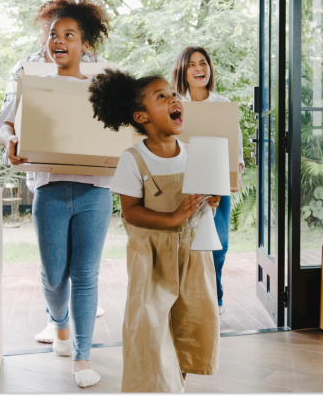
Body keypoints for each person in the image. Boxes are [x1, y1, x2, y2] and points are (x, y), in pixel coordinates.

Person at [0, 0, 112, 388]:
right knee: (53, 275)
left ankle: (82, 357)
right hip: (48, 186)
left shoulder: (103, 84)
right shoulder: (33, 79)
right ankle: (59, 324)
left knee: (86, 275)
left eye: (69, 34)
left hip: (95, 189)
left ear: (85, 43)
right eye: (53, 34)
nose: (58, 40)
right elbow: (6, 122)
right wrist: (11, 140)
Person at [89, 69, 221, 392]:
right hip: (151, 260)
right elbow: (132, 213)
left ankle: (178, 386)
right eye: (161, 96)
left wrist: (210, 202)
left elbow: (201, 211)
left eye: (174, 94)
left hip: (191, 256)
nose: (174, 99)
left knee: (188, 327)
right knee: (152, 331)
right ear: (141, 116)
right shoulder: (133, 160)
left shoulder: (193, 154)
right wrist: (173, 217)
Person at [171, 46, 244, 316]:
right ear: (182, 70)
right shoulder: (174, 103)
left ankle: (216, 296)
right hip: (182, 184)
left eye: (203, 63)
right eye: (191, 64)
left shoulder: (222, 105)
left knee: (218, 245)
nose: (199, 68)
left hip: (216, 185)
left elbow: (234, 148)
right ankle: (187, 298)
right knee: (186, 243)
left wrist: (230, 181)